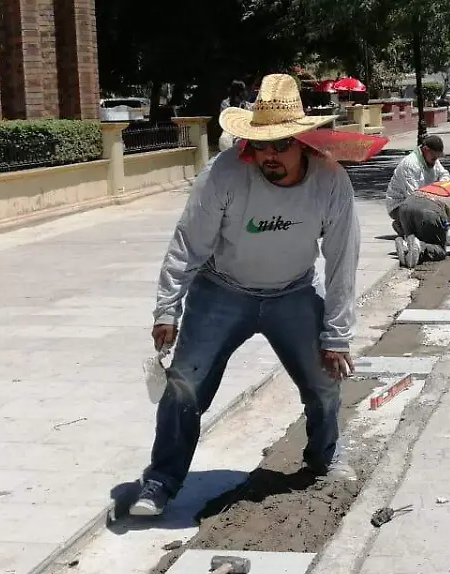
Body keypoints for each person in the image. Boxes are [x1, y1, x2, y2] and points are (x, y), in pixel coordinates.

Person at [131, 73, 361, 517]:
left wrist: (336, 335)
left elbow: (342, 262)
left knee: (324, 381)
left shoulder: (331, 183)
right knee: (184, 386)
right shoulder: (224, 175)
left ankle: (325, 457)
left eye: (281, 145)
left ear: (304, 141)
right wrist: (167, 309)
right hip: (221, 292)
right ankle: (160, 480)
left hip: (292, 293)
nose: (269, 156)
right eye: (261, 146)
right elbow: (188, 244)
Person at [384, 134, 450, 230]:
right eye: (433, 155)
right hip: (400, 204)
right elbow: (413, 196)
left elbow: (445, 175)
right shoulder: (410, 164)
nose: (436, 159)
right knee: (427, 222)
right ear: (425, 149)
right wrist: (434, 203)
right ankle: (402, 225)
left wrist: (442, 189)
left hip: (426, 199)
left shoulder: (433, 160)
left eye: (438, 156)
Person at [218, 81, 253, 152]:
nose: (246, 92)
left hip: (244, 131)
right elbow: (226, 119)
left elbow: (253, 108)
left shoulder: (246, 104)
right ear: (239, 92)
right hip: (230, 131)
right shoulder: (225, 104)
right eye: (244, 90)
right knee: (224, 139)